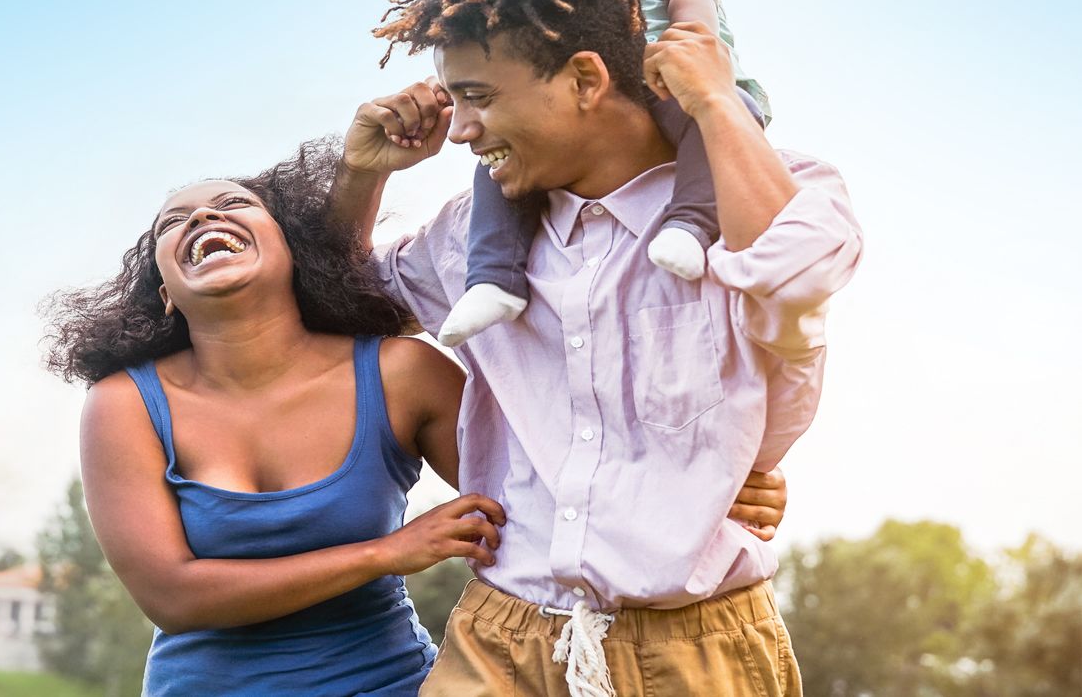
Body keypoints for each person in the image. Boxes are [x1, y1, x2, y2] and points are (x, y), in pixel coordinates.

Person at [338, 0, 861, 696]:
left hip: (698, 650)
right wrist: (363, 173)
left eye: (478, 96)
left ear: (586, 78)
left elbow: (794, 281)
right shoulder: (469, 238)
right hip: (498, 640)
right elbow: (336, 308)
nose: (462, 131)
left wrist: (716, 102)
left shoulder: (780, 188)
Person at [45, 142, 791, 695]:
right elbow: (173, 596)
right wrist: (390, 552)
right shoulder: (124, 403)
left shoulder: (399, 372)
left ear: (291, 248)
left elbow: (556, 491)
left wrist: (703, 490)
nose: (203, 216)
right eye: (176, 222)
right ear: (166, 292)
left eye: (233, 204)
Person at [423, 0, 776, 347]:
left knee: (721, 121)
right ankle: (494, 278)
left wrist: (696, 48)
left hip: (677, 77)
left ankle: (691, 224)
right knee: (496, 166)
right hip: (606, 94)